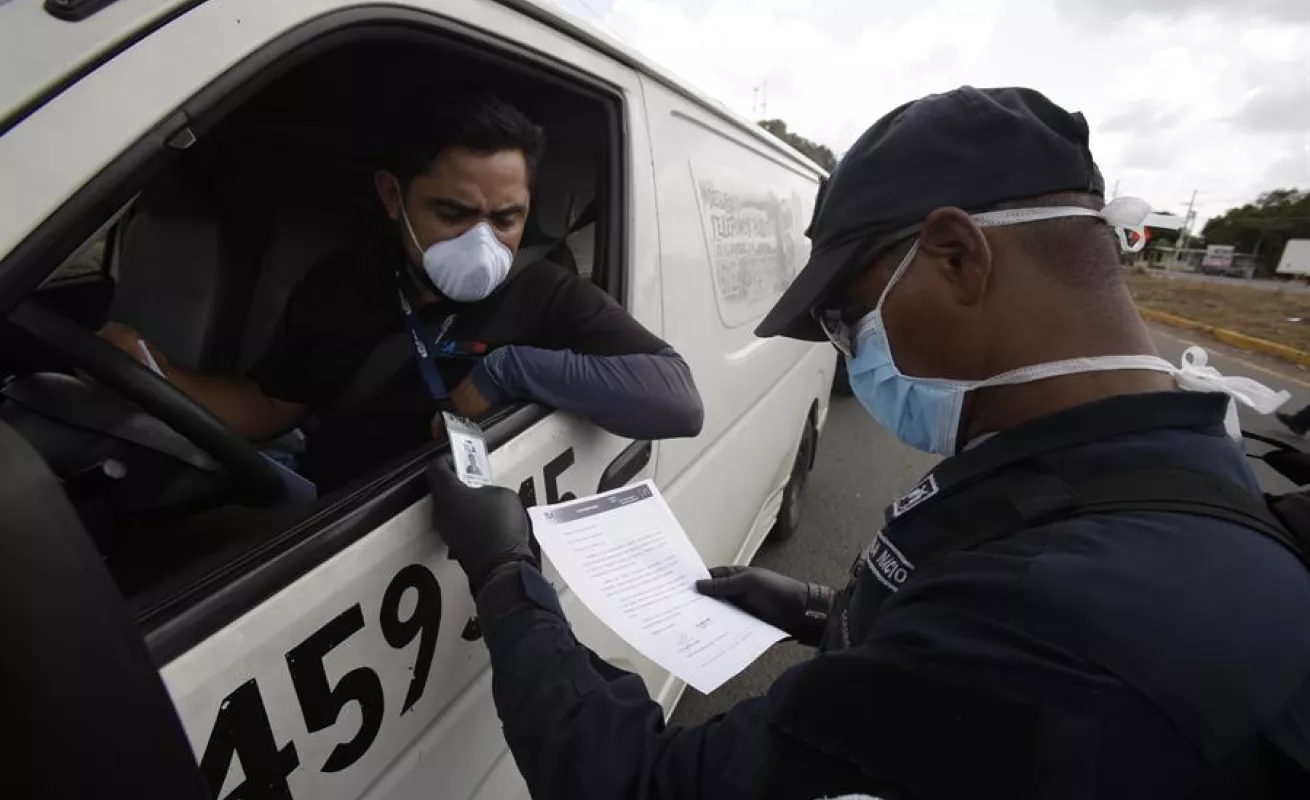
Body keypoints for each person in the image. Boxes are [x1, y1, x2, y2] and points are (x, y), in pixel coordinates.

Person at [424, 86, 1310, 799]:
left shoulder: (1064, 609)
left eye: (849, 315)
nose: (850, 353)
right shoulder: (1162, 459)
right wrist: (822, 613)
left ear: (959, 256)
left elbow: (639, 782)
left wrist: (505, 575)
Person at [99, 94, 702, 492]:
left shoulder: (547, 294)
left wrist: (507, 370)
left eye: (507, 218)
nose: (483, 242)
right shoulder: (343, 282)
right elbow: (270, 406)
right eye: (453, 212)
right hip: (330, 519)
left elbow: (678, 400)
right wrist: (158, 373)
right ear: (393, 198)